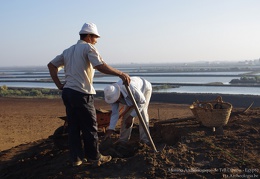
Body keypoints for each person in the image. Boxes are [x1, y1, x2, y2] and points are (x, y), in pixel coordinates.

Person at [47, 22, 130, 167]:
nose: (96, 40)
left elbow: (51, 65)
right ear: (89, 36)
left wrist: (59, 85)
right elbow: (100, 66)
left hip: (68, 93)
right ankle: (94, 158)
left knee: (74, 126)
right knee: (90, 126)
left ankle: (76, 159)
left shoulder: (68, 50)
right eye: (95, 37)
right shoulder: (88, 47)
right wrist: (120, 73)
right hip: (82, 93)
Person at [103, 76, 152, 144]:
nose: (116, 102)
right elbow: (115, 113)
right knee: (126, 116)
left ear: (119, 94)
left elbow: (142, 102)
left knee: (142, 114)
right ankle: (123, 140)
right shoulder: (112, 97)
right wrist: (111, 128)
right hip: (129, 98)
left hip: (144, 90)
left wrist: (131, 116)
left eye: (116, 99)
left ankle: (145, 140)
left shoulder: (130, 88)